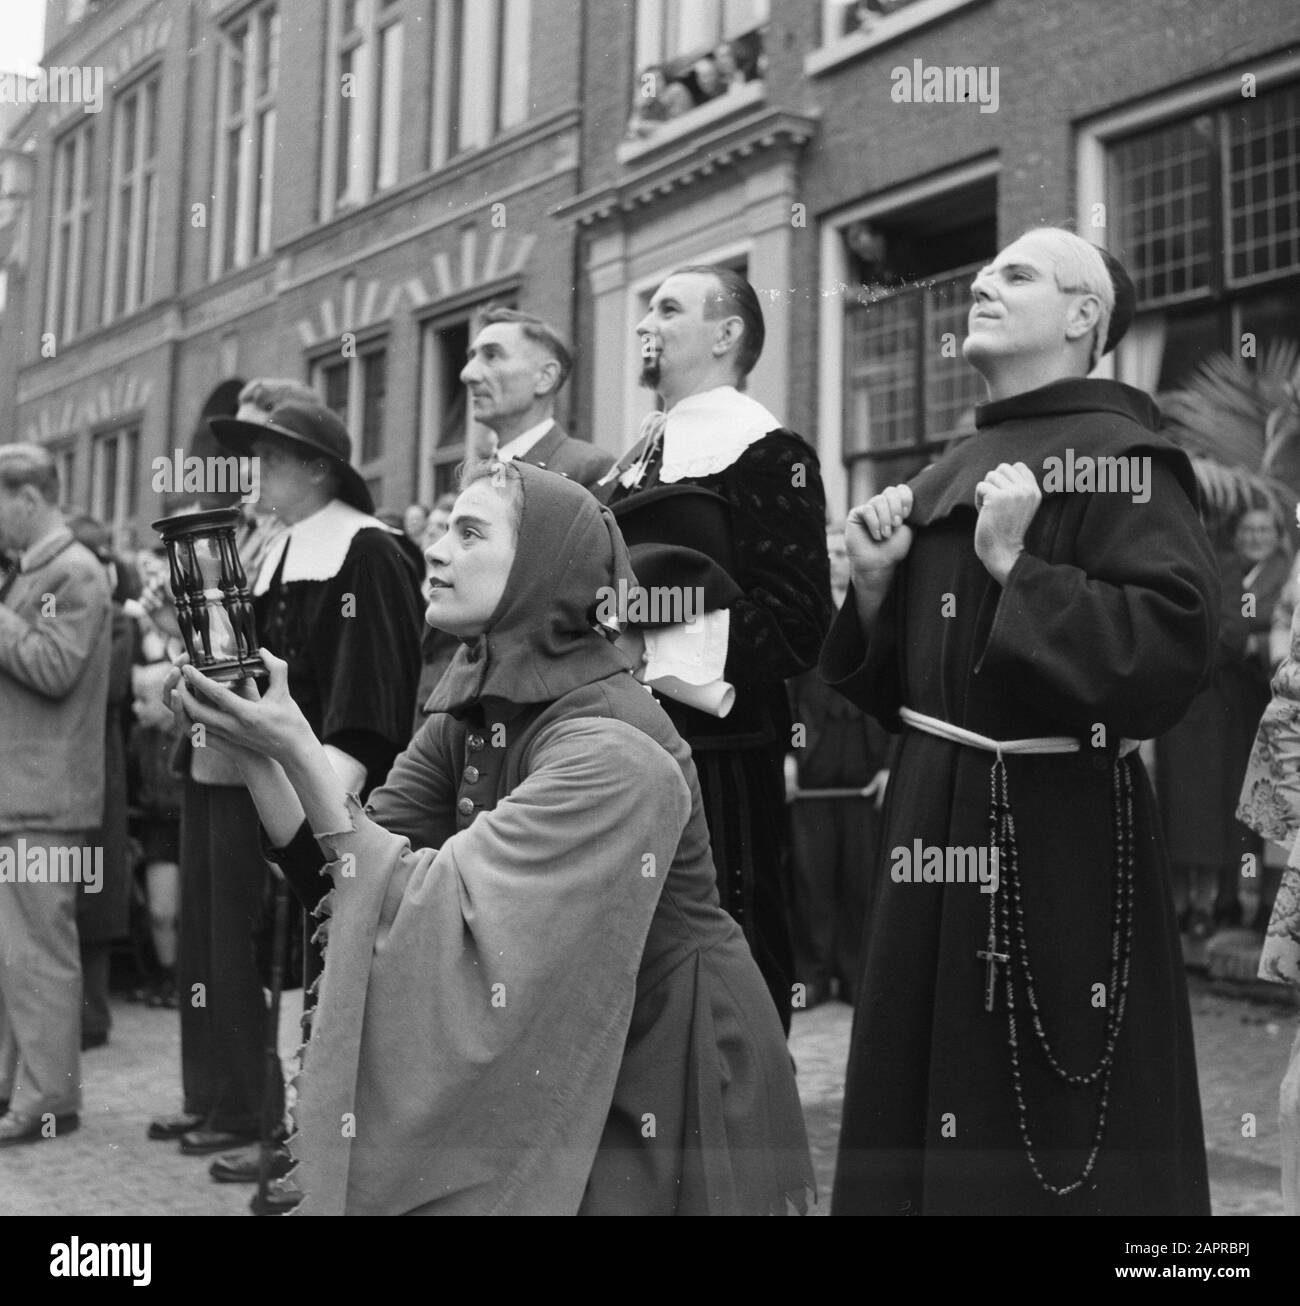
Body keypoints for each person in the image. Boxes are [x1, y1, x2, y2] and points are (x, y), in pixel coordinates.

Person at [169, 458, 814, 1215]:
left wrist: (296, 749)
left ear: (544, 570)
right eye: (444, 529)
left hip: (666, 1055)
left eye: (470, 533)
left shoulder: (614, 752)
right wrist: (258, 755)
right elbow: (347, 877)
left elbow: (420, 902)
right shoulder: (474, 715)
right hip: (574, 1027)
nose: (437, 549)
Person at [823, 229, 1219, 1215]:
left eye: (1017, 273)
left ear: (1085, 316)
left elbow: (1172, 652)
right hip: (929, 817)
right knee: (918, 1082)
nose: (980, 283)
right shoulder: (948, 465)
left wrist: (1019, 570)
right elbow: (906, 695)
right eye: (984, 270)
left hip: (1056, 828)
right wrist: (873, 593)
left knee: (1047, 1115)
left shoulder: (1128, 459)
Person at [600, 264, 832, 1033]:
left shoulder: (767, 452)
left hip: (721, 757)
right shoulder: (632, 461)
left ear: (728, 333)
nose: (646, 325)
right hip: (615, 741)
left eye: (668, 309)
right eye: (645, 310)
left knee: (722, 959)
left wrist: (640, 623)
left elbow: (797, 626)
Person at [204, 396, 424, 1199]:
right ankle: (289, 1142)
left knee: (338, 984)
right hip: (283, 793)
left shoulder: (367, 550)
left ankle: (319, 1155)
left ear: (320, 467)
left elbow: (373, 694)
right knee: (291, 976)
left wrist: (319, 806)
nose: (255, 469)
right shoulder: (272, 550)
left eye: (271, 454)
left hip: (345, 804)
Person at [0, 445, 112, 1146]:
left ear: (28, 498)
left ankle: (48, 1100)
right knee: (20, 953)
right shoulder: (45, 571)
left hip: (44, 800)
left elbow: (53, 666)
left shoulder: (73, 573)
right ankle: (28, 1091)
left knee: (39, 954)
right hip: (25, 798)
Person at [1157, 506, 1291, 937]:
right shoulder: (1159, 558)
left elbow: (1237, 628)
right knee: (1177, 807)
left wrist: (1187, 658)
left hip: (1221, 698)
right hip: (1177, 702)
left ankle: (1214, 903)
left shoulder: (1230, 567)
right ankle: (1180, 904)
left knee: (1217, 806)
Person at [785, 525, 891, 1009]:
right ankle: (811, 974)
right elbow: (784, 689)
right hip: (814, 763)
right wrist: (786, 758)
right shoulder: (804, 616)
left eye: (840, 551)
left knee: (860, 877)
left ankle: (854, 975)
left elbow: (897, 688)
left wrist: (890, 765)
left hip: (866, 761)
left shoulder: (879, 610)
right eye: (825, 551)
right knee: (811, 879)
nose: (834, 559)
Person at [461, 306, 615, 490]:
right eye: (472, 357)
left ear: (545, 377)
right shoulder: (479, 478)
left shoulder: (590, 470)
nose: (467, 374)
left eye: (492, 355)